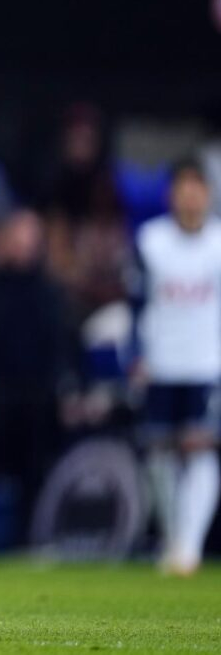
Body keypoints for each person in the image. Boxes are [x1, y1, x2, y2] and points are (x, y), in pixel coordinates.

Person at [134, 158, 221, 576]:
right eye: (183, 188)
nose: (190, 197)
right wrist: (137, 354)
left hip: (207, 363)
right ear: (171, 194)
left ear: (208, 193)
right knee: (158, 455)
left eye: (197, 188)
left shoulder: (219, 243)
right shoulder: (151, 241)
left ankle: (191, 544)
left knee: (201, 449)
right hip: (162, 362)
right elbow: (137, 302)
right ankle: (173, 538)